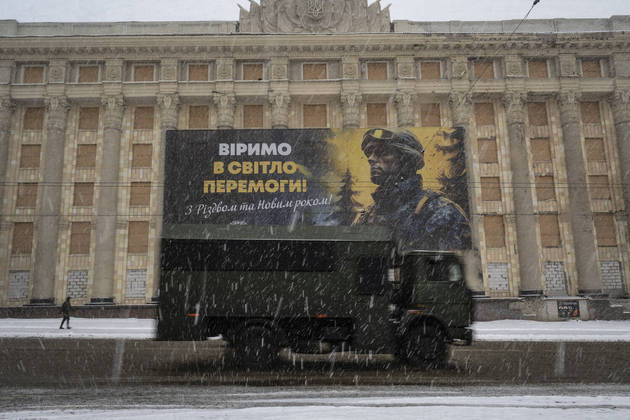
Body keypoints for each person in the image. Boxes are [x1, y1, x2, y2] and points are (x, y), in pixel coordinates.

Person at [354, 128, 471, 251]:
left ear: (405, 159)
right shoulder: (366, 218)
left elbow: (455, 266)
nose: (371, 159)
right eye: (369, 153)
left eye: (382, 152)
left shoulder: (440, 213)